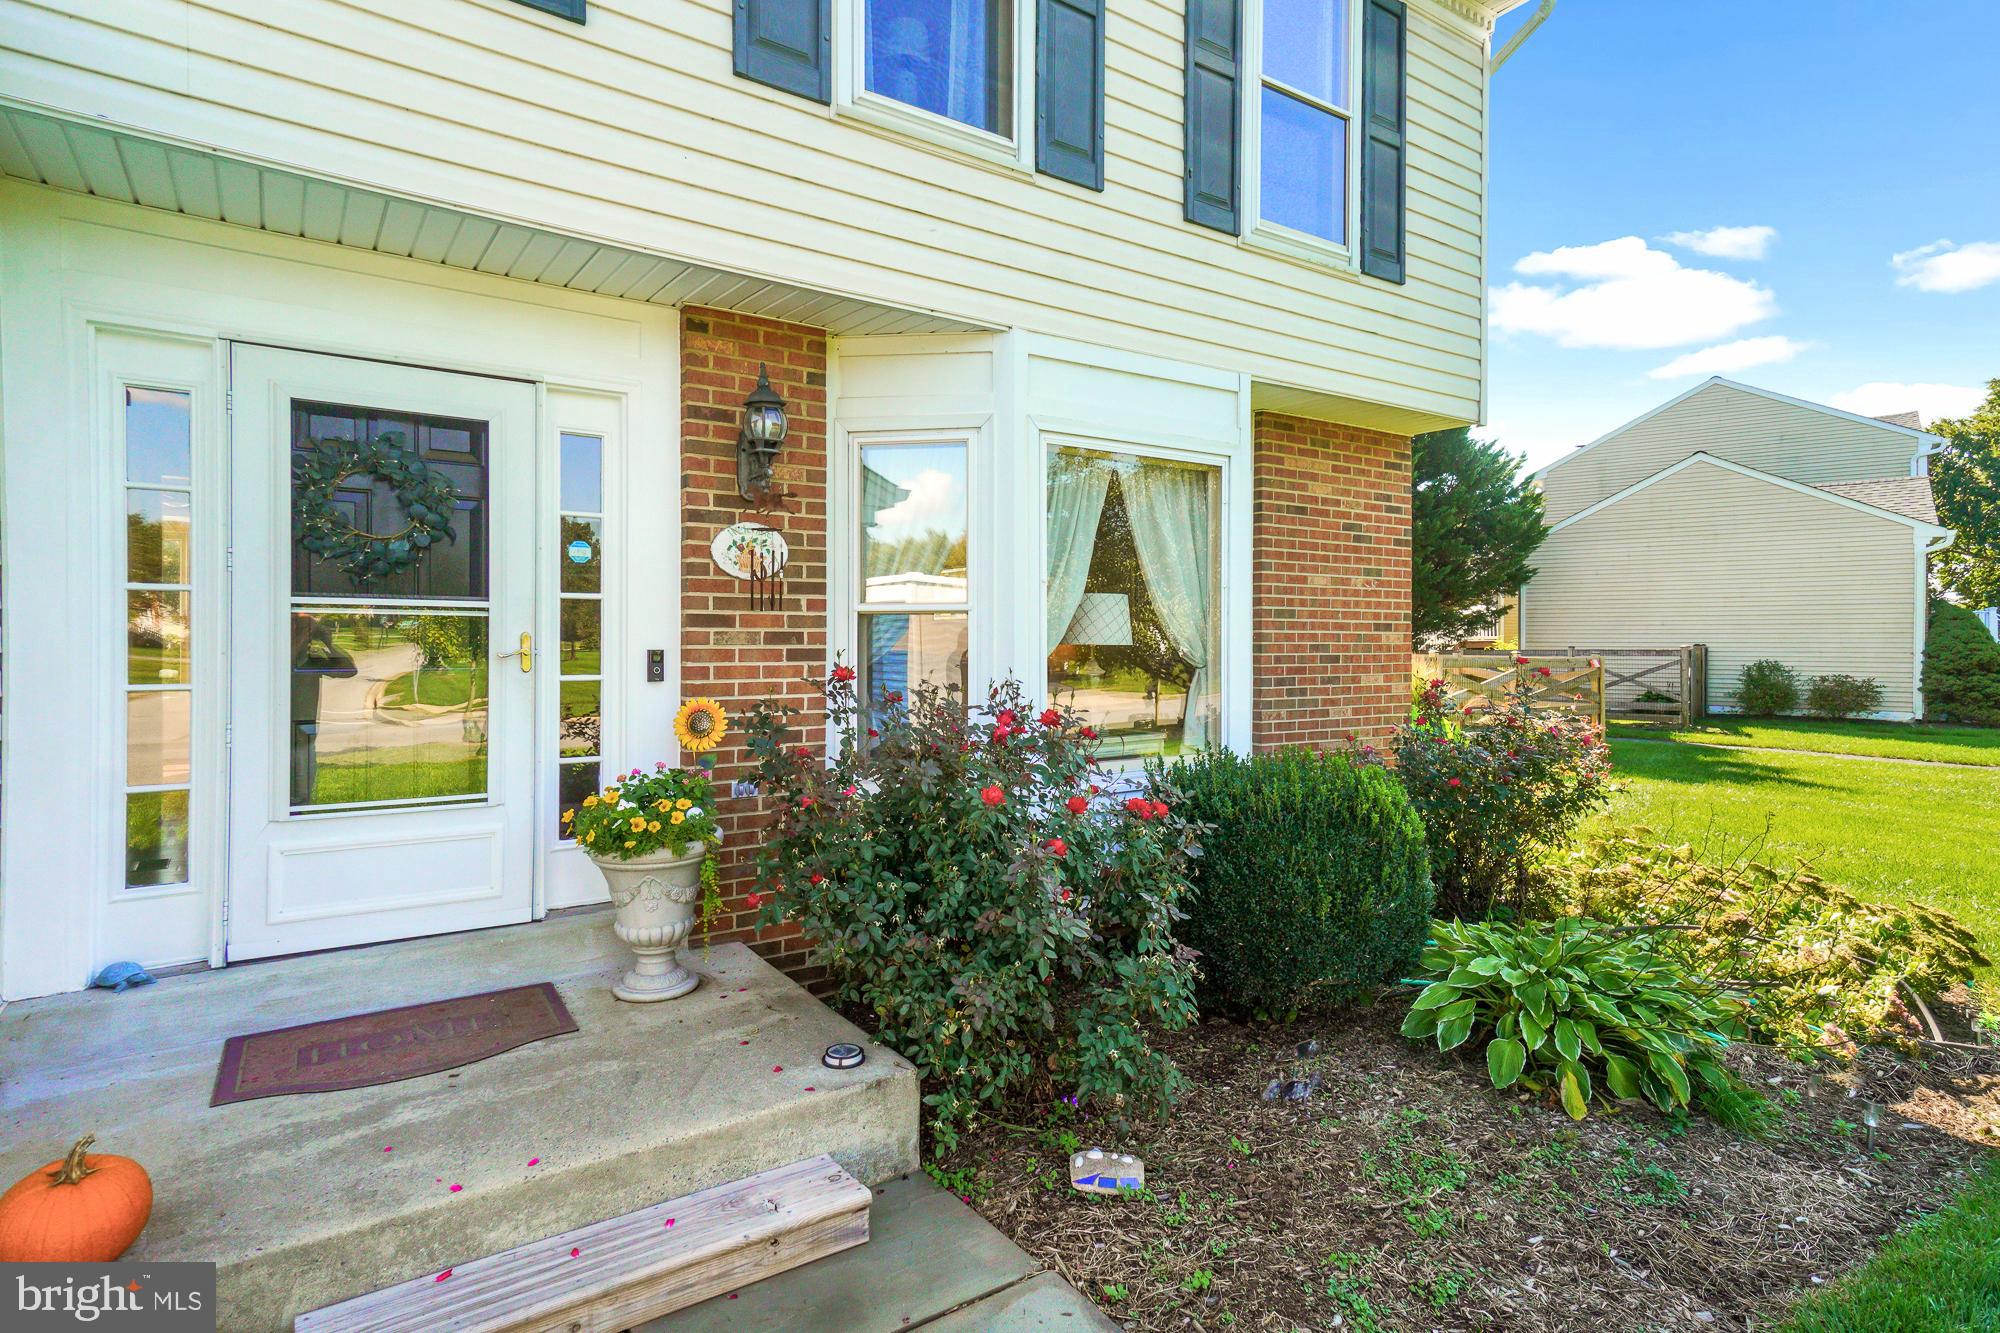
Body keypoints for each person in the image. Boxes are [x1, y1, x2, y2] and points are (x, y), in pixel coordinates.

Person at [291, 613, 357, 806]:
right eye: (299, 627)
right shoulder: (277, 658)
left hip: (303, 738)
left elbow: (349, 670)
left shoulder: (312, 660)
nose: (304, 634)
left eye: (306, 630)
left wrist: (328, 642)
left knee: (302, 796)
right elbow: (289, 660)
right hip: (274, 740)